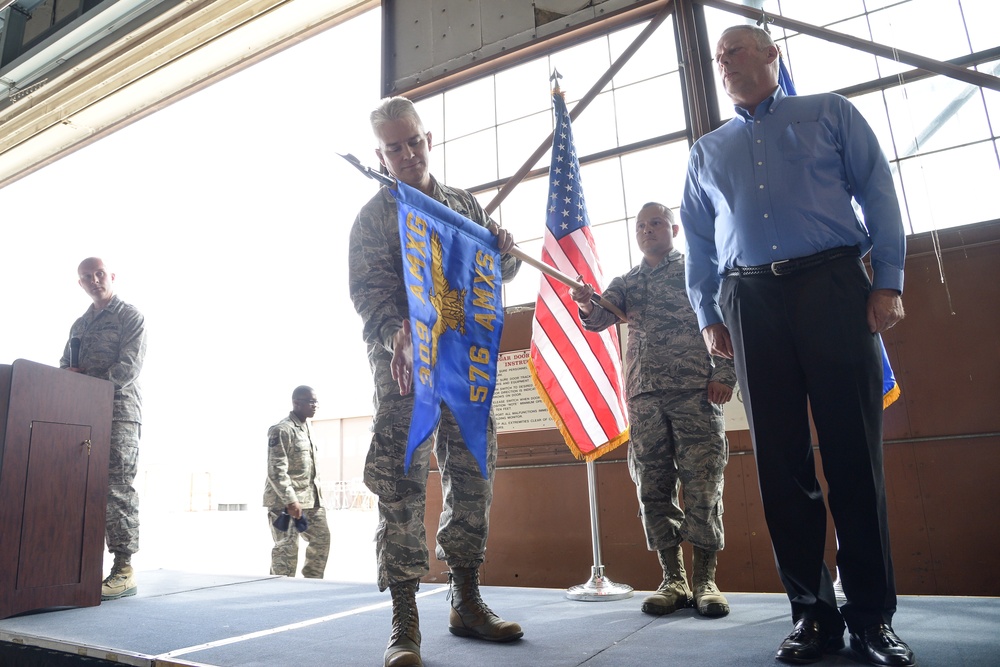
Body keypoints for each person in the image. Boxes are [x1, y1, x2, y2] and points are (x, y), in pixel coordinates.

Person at [681, 24, 913, 667]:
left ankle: (871, 619)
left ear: (771, 56)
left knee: (853, 461)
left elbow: (879, 193)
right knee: (781, 468)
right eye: (719, 56)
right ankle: (813, 616)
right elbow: (699, 245)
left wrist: (887, 281)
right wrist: (708, 315)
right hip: (749, 303)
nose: (724, 61)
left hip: (835, 287)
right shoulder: (706, 151)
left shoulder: (830, 112)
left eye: (736, 50)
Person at [348, 96, 523, 667]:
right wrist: (395, 332)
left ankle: (466, 600)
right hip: (406, 373)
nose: (407, 153)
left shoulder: (463, 205)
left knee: (473, 475)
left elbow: (490, 273)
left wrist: (504, 250)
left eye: (414, 141)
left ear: (429, 138)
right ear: (380, 153)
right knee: (402, 485)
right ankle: (404, 620)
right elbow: (369, 299)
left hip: (463, 363)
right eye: (393, 147)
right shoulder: (374, 219)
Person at [569, 202, 736, 619]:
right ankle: (672, 579)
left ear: (673, 229)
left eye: (656, 223)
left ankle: (705, 580)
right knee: (652, 487)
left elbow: (725, 319)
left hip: (697, 392)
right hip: (645, 398)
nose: (647, 230)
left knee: (703, 485)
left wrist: (726, 374)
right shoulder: (628, 281)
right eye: (641, 225)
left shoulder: (696, 270)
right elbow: (597, 319)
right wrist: (587, 303)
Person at [60, 257, 147, 601]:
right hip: (84, 415)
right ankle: (82, 569)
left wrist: (89, 388)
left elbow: (129, 368)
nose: (94, 280)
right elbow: (66, 364)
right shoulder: (80, 325)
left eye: (100, 274)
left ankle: (124, 569)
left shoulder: (130, 316)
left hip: (119, 413)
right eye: (87, 277)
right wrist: (67, 377)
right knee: (84, 489)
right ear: (80, 284)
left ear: (111, 276)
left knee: (116, 488)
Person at [263, 385, 331, 578]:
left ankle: (312, 584)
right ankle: (279, 591)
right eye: (311, 402)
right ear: (296, 403)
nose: (315, 406)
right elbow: (276, 469)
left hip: (310, 500)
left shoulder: (307, 428)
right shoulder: (281, 430)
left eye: (316, 402)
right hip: (284, 503)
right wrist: (290, 500)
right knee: (287, 549)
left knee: (322, 539)